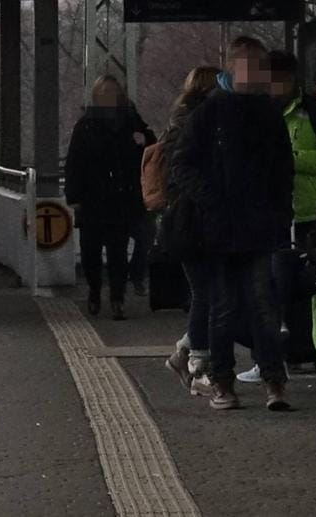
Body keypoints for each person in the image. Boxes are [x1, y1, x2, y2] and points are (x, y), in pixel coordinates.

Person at [172, 35, 295, 411]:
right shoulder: (210, 112)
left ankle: (272, 379)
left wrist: (279, 211)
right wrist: (212, 202)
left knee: (260, 305)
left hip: (255, 225)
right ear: (233, 67)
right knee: (225, 307)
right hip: (223, 227)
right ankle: (224, 380)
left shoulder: (268, 112)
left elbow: (282, 169)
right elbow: (182, 163)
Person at [258, 48, 316, 372]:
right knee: (274, 284)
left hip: (308, 212)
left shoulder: (314, 112)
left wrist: (289, 159)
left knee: (306, 285)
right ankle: (280, 353)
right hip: (269, 212)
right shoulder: (256, 112)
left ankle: (305, 351)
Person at [157, 64, 224, 394]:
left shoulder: (178, 121)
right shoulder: (201, 125)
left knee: (208, 291)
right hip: (194, 219)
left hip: (184, 219)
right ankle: (198, 361)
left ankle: (186, 351)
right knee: (207, 292)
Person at [64, 75, 152, 318]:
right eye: (104, 93)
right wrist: (74, 196)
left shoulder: (131, 121)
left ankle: (117, 297)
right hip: (92, 198)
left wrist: (143, 141)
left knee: (118, 252)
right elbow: (74, 162)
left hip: (121, 198)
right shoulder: (86, 125)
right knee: (91, 251)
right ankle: (94, 290)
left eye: (112, 92)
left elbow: (151, 147)